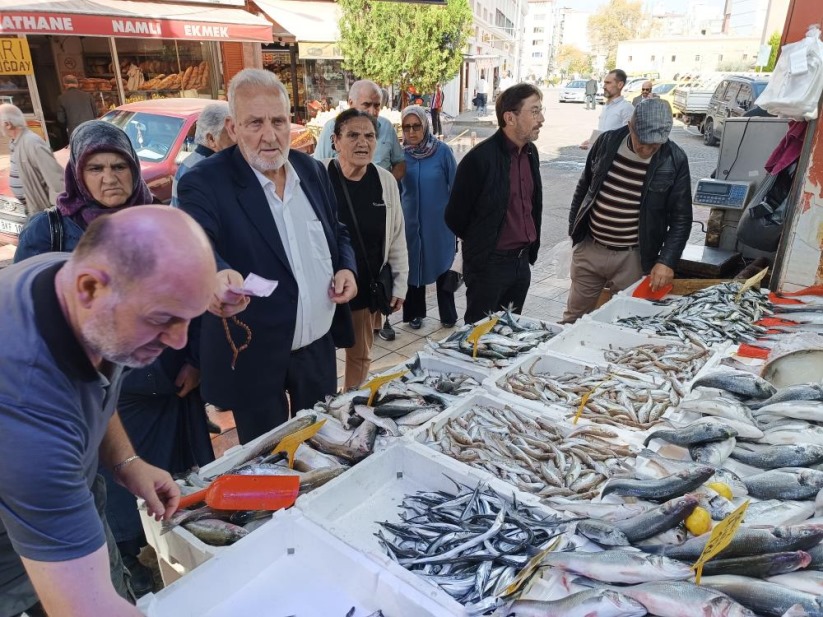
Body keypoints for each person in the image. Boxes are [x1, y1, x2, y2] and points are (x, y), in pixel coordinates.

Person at [14, 120, 216, 598]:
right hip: (93, 413)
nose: (110, 178)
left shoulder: (146, 230)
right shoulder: (50, 234)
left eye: (120, 166)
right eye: (97, 168)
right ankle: (137, 564)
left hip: (157, 397)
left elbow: (189, 295)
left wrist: (196, 359)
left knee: (170, 492)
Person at [178, 68, 358, 444]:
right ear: (232, 127)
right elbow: (196, 243)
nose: (269, 135)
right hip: (255, 354)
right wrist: (217, 274)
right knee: (268, 460)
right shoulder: (206, 181)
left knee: (322, 444)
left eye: (278, 121)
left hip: (317, 348)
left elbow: (336, 229)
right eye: (254, 123)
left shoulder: (311, 171)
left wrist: (346, 266)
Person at [563, 99, 692, 323]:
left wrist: (666, 261)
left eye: (655, 145)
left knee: (625, 322)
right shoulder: (607, 141)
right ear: (630, 126)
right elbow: (584, 187)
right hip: (591, 248)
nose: (647, 150)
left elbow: (682, 218)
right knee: (573, 318)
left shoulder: (675, 159)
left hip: (633, 257)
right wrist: (575, 233)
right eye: (643, 142)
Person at [445, 83, 544, 324]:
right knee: (479, 338)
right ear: (510, 117)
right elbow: (455, 217)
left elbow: (532, 205)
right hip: (489, 267)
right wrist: (483, 246)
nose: (541, 119)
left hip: (521, 264)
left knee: (507, 332)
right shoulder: (479, 159)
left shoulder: (531, 153)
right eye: (534, 111)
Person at [324, 109, 408, 389]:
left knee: (360, 356)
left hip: (364, 288)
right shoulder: (319, 176)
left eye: (369, 136)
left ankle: (351, 404)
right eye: (353, 135)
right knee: (320, 356)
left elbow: (397, 236)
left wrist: (400, 285)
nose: (363, 143)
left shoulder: (384, 181)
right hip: (321, 290)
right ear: (336, 140)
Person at [399, 105, 458, 330]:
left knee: (443, 265)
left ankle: (448, 314)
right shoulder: (401, 155)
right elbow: (393, 189)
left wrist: (457, 221)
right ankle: (415, 313)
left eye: (416, 126)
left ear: (425, 126)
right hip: (410, 224)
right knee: (413, 267)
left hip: (440, 225)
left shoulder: (442, 152)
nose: (412, 132)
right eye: (407, 127)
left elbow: (457, 187)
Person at [313, 80, 406, 181]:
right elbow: (318, 169)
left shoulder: (386, 126)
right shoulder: (331, 128)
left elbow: (400, 163)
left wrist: (387, 185)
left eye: (376, 105)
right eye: (366, 105)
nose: (372, 111)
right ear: (351, 103)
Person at [0, 103, 64, 216]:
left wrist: (56, 213)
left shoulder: (32, 143)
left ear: (7, 124)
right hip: (32, 210)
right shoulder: (16, 143)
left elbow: (57, 181)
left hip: (43, 213)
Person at [171, 101, 233, 206]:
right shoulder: (202, 171)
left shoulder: (193, 162)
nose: (238, 139)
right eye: (231, 132)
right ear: (211, 139)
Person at [581, 69, 634, 149]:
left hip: (613, 158)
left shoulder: (627, 108)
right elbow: (604, 132)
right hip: (601, 157)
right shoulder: (606, 106)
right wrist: (591, 142)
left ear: (620, 84)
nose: (604, 86)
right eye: (604, 83)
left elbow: (628, 139)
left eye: (608, 83)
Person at [56, 74, 97, 139]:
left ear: (65, 84)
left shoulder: (61, 98)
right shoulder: (87, 95)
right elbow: (95, 113)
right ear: (77, 84)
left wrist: (68, 126)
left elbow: (61, 119)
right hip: (90, 128)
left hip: (75, 131)